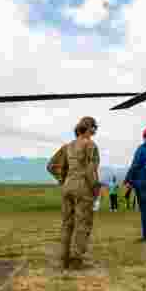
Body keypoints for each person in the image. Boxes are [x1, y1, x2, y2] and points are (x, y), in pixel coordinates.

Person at [47, 116, 100, 270]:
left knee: (67, 224)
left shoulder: (67, 146)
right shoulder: (90, 145)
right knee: (83, 224)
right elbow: (91, 171)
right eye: (94, 128)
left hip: (67, 187)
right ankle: (76, 260)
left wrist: (63, 180)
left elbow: (52, 166)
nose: (94, 131)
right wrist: (95, 189)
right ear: (90, 128)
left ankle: (63, 260)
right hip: (83, 187)